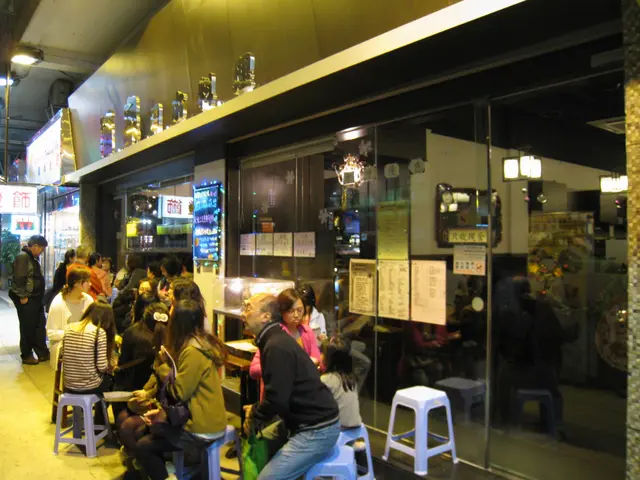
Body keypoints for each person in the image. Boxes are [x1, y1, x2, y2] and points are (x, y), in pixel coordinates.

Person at [242, 294, 339, 480]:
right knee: (262, 443)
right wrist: (256, 411)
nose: (243, 313)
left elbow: (277, 400)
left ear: (265, 316)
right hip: (303, 422)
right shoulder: (273, 339)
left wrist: (254, 413)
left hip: (317, 429)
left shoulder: (276, 345)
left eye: (248, 308)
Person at [133, 300, 228, 480]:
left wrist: (163, 366)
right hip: (201, 417)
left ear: (178, 323)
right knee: (142, 431)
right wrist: (162, 413)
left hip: (202, 426)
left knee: (144, 447)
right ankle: (169, 469)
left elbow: (179, 392)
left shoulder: (192, 351)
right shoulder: (200, 343)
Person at [249, 289, 322, 396]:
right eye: (291, 311)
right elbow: (254, 370)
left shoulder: (307, 331)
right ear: (281, 312)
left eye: (299, 310)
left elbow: (317, 359)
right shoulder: (274, 334)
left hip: (302, 394)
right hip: (278, 394)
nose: (296, 315)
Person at [9, 235, 50, 365]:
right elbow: (19, 278)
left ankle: (42, 352)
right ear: (35, 246)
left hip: (36, 298)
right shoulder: (23, 257)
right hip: (27, 298)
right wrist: (23, 296)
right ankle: (26, 354)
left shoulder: (32, 258)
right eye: (41, 249)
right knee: (28, 327)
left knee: (39, 325)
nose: (42, 252)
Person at [61, 302, 117, 395]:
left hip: (68, 385)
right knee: (112, 380)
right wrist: (111, 364)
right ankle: (101, 405)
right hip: (90, 386)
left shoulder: (68, 328)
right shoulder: (99, 332)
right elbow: (102, 367)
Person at [47, 268, 94, 369]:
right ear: (77, 283)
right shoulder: (58, 303)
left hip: (85, 344)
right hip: (65, 346)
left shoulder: (88, 300)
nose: (90, 284)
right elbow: (51, 333)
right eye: (87, 281)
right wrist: (73, 334)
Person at [45, 248, 75, 312]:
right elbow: (58, 284)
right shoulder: (62, 269)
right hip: (61, 294)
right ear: (70, 258)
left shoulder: (64, 268)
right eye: (75, 258)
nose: (76, 259)